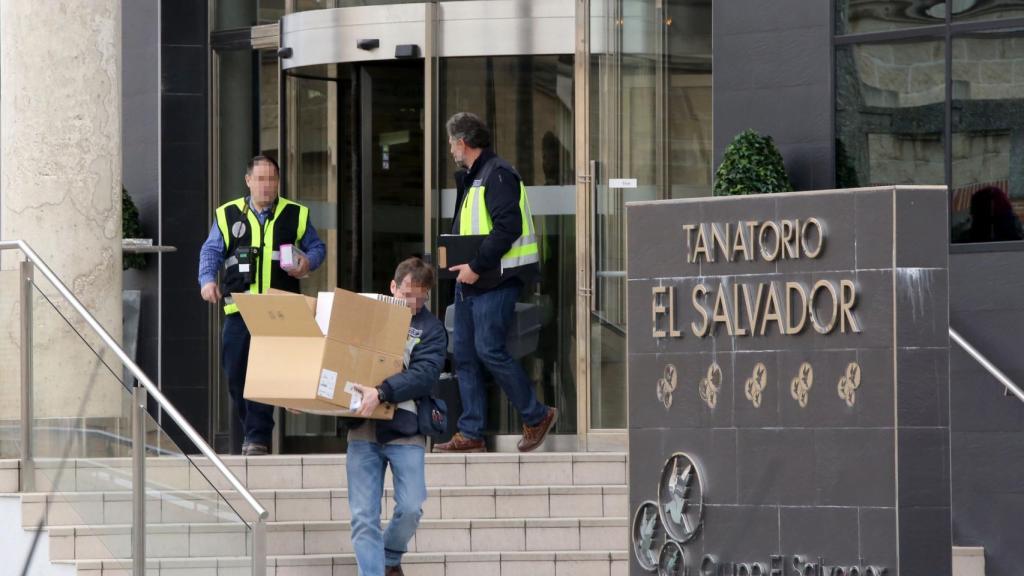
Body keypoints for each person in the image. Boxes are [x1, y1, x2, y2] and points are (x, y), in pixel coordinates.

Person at [433, 112, 558, 454]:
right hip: (471, 281)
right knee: (464, 356)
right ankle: (470, 432)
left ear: (463, 142)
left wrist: (475, 264)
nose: (450, 149)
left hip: (494, 280)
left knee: (489, 349)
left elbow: (508, 228)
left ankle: (536, 415)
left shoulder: (497, 174)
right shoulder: (475, 176)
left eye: (451, 142)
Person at [197, 154, 326, 456]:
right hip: (239, 308)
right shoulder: (228, 214)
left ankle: (257, 438)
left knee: (265, 374)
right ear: (248, 181)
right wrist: (207, 280)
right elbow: (211, 251)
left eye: (272, 179)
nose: (267, 186)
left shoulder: (295, 214)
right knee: (237, 374)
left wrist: (307, 261)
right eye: (261, 179)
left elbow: (317, 248)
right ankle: (251, 434)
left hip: (278, 310)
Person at [343, 257, 447, 576]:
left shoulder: (431, 329)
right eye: (407, 293)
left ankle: (389, 555)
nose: (413, 302)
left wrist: (382, 391)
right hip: (363, 429)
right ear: (393, 286)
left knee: (411, 507)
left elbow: (425, 375)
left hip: (407, 429)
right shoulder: (367, 318)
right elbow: (337, 356)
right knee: (363, 517)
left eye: (421, 296)